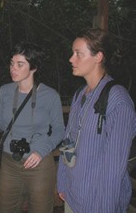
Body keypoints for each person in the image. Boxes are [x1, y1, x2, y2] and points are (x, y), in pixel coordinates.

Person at [57, 28, 136, 213]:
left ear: (98, 57)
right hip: (72, 194)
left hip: (98, 202)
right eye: (72, 53)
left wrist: (106, 208)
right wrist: (62, 182)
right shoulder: (79, 95)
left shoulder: (118, 100)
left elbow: (114, 168)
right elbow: (67, 141)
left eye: (78, 53)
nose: (71, 59)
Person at [0, 42, 65, 213]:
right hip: (9, 162)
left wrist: (41, 150)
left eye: (20, 64)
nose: (13, 69)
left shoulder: (50, 95)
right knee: (6, 209)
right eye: (12, 63)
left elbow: (59, 131)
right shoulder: (4, 91)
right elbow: (1, 124)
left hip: (38, 163)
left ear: (33, 67)